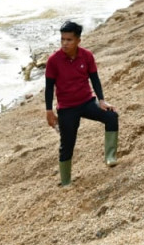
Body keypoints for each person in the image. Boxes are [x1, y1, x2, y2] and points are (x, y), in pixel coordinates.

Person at [44, 21, 119, 187]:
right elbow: (49, 87)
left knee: (111, 116)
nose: (64, 43)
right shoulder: (53, 60)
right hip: (67, 108)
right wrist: (49, 111)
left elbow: (95, 79)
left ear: (78, 40)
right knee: (67, 144)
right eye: (62, 39)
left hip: (87, 102)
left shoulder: (87, 56)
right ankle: (66, 181)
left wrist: (101, 100)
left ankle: (110, 157)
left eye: (69, 39)